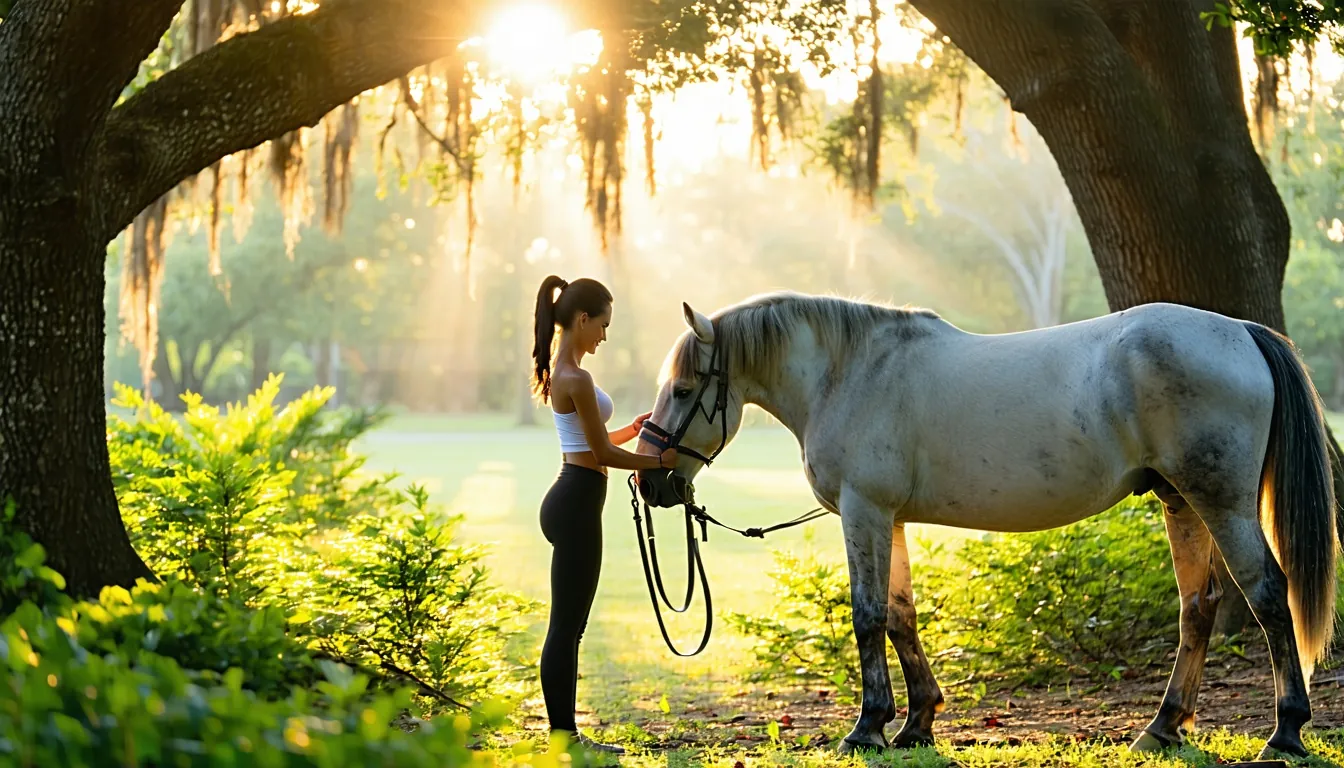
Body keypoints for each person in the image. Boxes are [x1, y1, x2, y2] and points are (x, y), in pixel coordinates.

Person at [530, 274, 676, 754]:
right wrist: (657, 461)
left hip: (573, 495)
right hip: (576, 503)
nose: (605, 336)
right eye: (603, 325)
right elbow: (601, 455)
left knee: (570, 626)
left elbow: (593, 445)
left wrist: (631, 430)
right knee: (566, 628)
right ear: (582, 318)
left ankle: (566, 736)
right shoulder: (576, 376)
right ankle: (565, 740)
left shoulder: (564, 370)